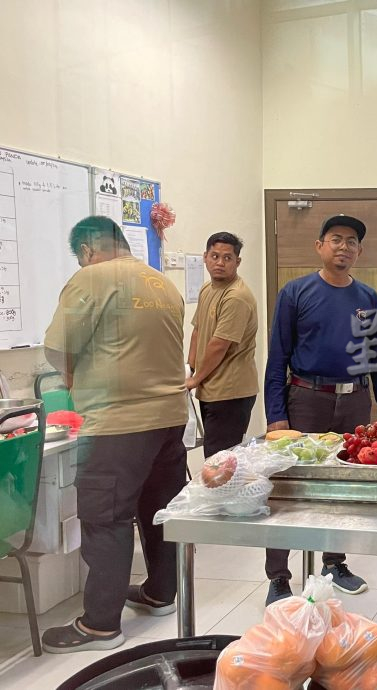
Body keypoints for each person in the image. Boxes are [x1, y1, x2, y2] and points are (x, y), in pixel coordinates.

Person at [40, 217, 187, 652]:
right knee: (158, 510)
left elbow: (57, 347)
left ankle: (99, 626)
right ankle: (161, 594)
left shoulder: (91, 278)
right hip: (168, 417)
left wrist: (71, 376)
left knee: (105, 517)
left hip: (117, 422)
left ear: (87, 250)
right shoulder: (162, 283)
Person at [263, 213, 377, 604]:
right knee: (288, 486)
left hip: (354, 399)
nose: (344, 247)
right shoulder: (295, 292)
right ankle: (278, 576)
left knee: (343, 486)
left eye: (352, 241)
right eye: (335, 239)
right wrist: (277, 414)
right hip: (306, 398)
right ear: (320, 246)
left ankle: (334, 561)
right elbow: (278, 358)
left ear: (360, 250)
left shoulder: (368, 297)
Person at [187, 232, 258, 457]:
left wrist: (195, 380)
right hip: (210, 389)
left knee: (221, 462)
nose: (220, 263)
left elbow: (219, 344)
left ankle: (225, 494)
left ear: (237, 262)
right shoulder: (207, 289)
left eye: (227, 258)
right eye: (215, 256)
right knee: (213, 457)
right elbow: (198, 331)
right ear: (205, 257)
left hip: (231, 393)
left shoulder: (236, 296)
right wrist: (189, 369)